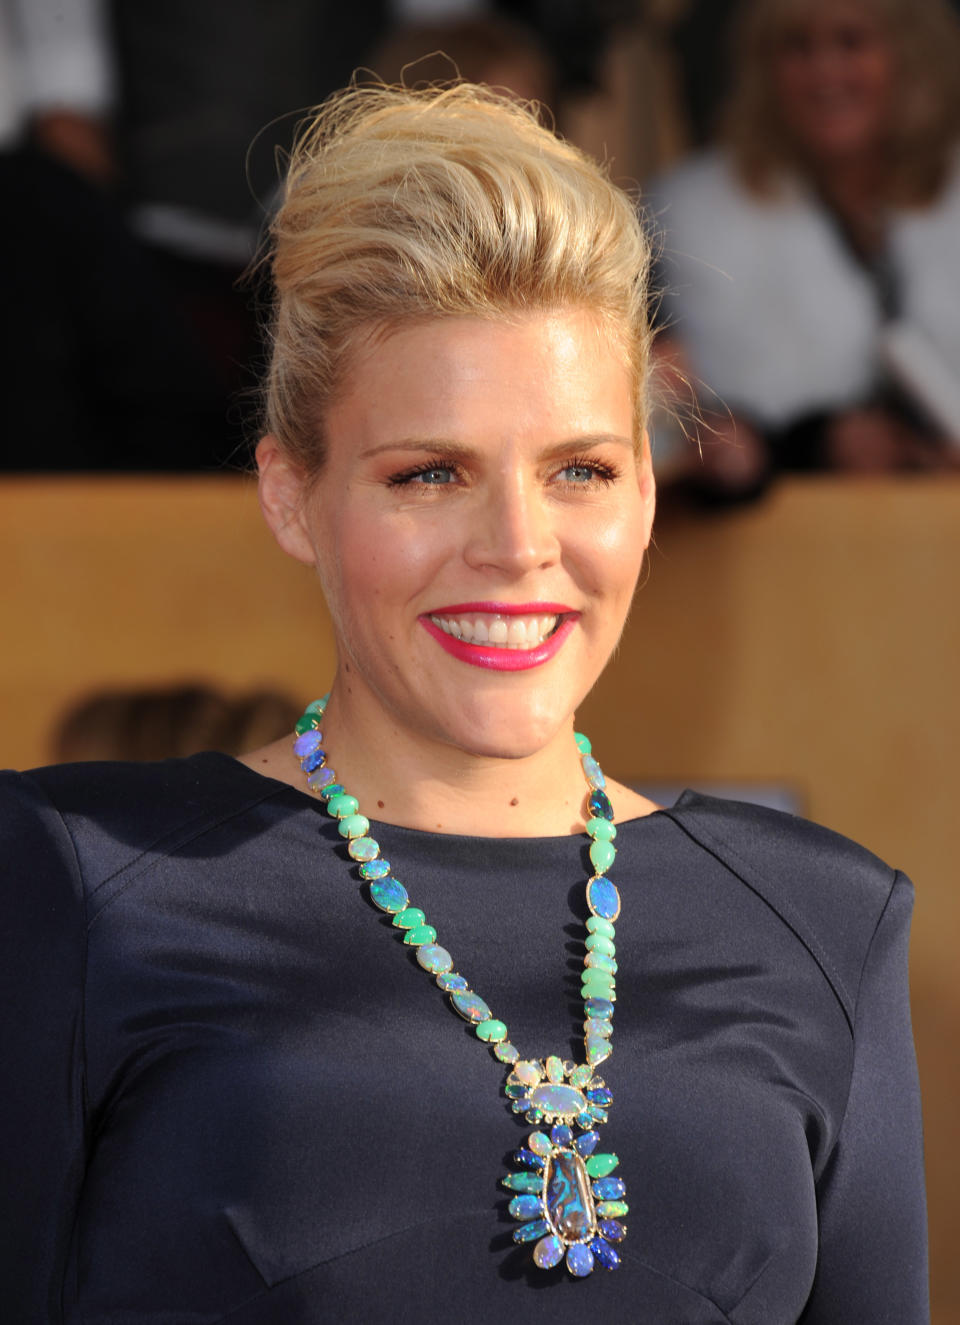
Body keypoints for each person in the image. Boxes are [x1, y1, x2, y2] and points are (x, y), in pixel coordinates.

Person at [0, 83, 927, 1322]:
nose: (516, 545)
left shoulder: (826, 920)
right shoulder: (75, 881)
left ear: (647, 494)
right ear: (291, 494)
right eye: (429, 472)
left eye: (578, 470)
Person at [651, 0, 960, 499]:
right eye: (798, 48)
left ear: (910, 55)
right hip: (780, 539)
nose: (825, 72)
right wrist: (813, 442)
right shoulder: (691, 219)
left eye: (851, 42)